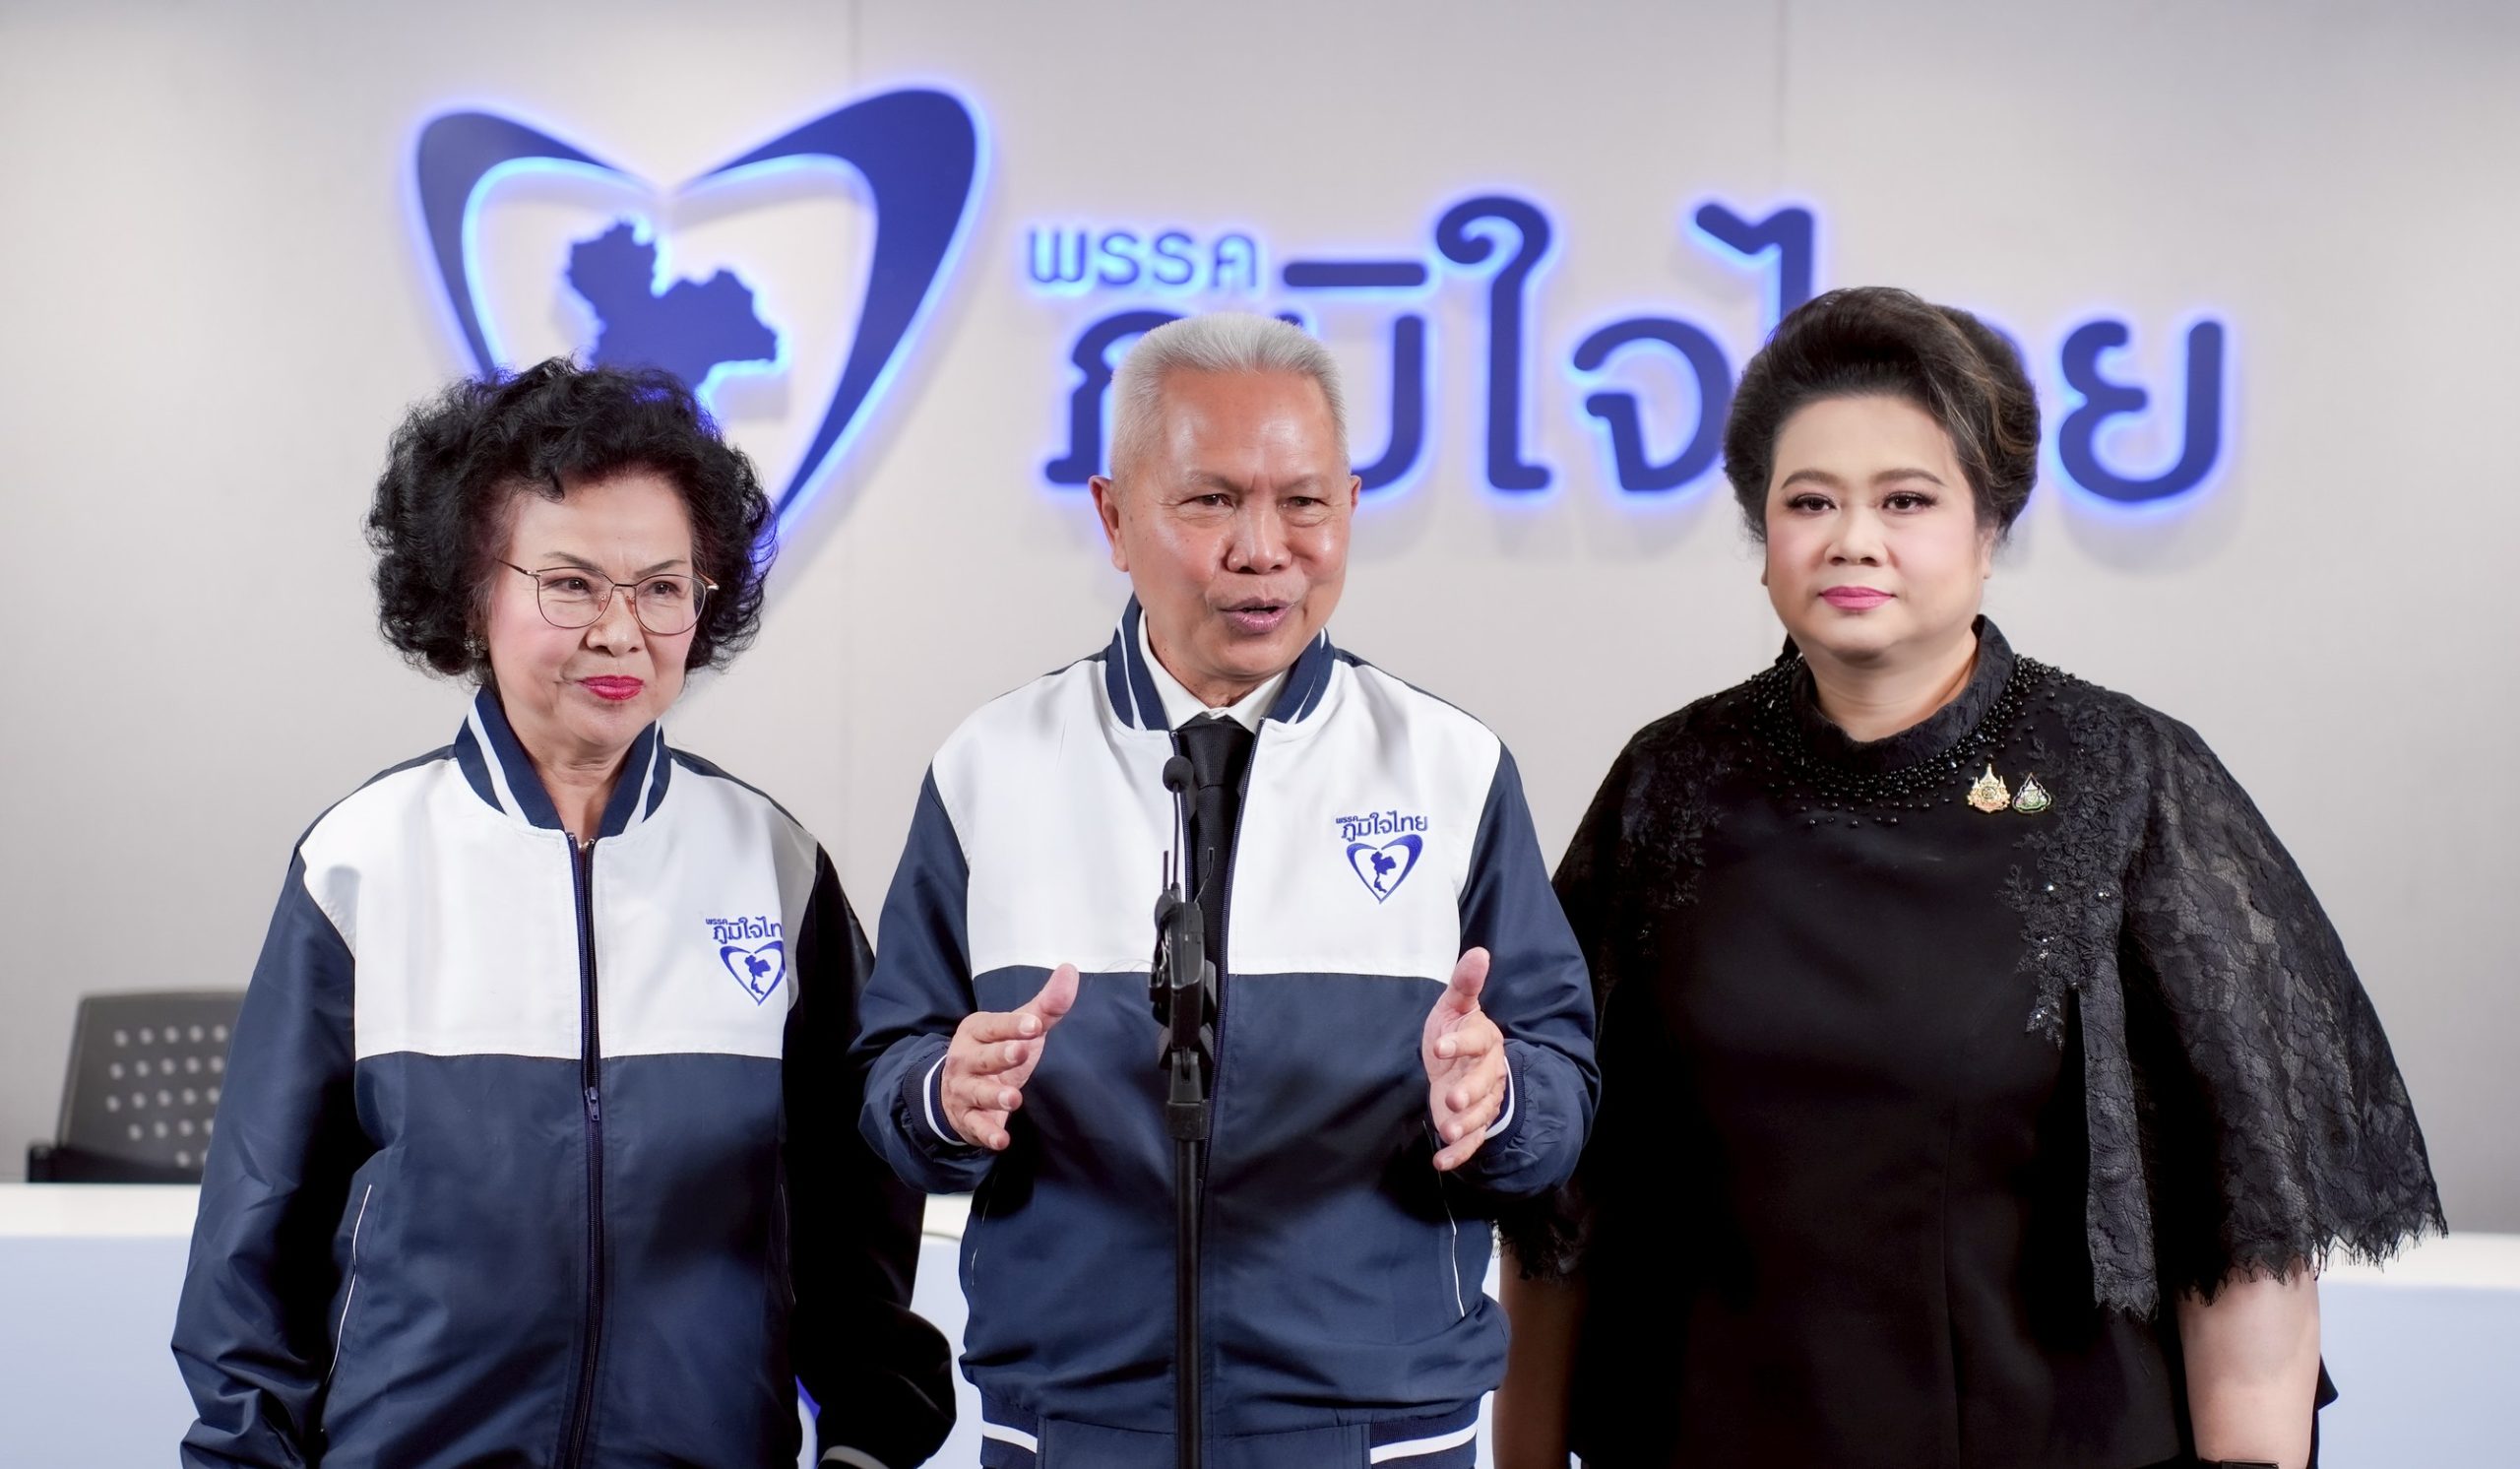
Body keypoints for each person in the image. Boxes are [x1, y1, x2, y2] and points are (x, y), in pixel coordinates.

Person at [1492, 287, 2443, 1469]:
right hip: (1708, 1429)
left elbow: (2242, 1226)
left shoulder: (2122, 778)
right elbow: (1562, 1207)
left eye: (1906, 500)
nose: (1852, 540)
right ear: (1762, 535)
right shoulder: (1668, 784)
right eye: (1809, 502)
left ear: (1989, 531)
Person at [171, 360, 953, 1468]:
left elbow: (852, 1212)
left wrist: (870, 1438)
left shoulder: (771, 865)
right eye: (571, 584)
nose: (621, 632)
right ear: (470, 592)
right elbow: (255, 1238)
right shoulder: (361, 863)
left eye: (663, 588)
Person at [852, 312, 1598, 1467]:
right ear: (1113, 518)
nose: (1263, 549)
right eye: (1210, 501)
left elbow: (1559, 1076)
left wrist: (1497, 1100)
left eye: (1304, 502)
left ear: (1350, 506)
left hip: (1381, 1434)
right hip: (1070, 1431)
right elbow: (888, 1069)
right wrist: (943, 1094)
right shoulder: (990, 767)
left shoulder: (1449, 768)